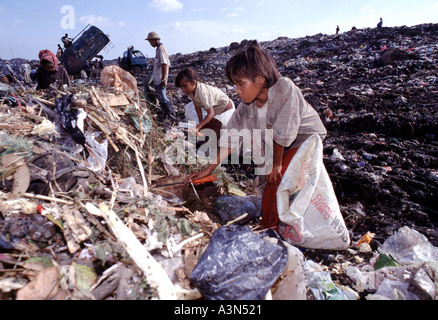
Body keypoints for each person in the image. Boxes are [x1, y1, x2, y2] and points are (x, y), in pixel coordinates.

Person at [186, 45, 327, 231]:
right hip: (276, 145)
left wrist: (276, 165)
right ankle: (270, 226)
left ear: (260, 79)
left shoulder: (285, 88)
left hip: (304, 139)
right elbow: (231, 138)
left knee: (281, 181)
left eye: (240, 84)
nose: (237, 90)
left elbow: (283, 132)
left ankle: (281, 227)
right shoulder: (246, 106)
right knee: (269, 185)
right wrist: (209, 169)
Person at [175, 67, 235, 145]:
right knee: (204, 132)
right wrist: (200, 124)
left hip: (225, 108)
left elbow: (211, 114)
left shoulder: (203, 92)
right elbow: (197, 107)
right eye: (181, 87)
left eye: (185, 86)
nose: (183, 89)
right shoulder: (191, 91)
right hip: (215, 109)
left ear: (193, 83)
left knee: (215, 136)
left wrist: (198, 127)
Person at [145, 31, 176, 122]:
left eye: (150, 42)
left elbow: (164, 64)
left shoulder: (161, 49)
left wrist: (164, 79)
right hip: (158, 78)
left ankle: (171, 116)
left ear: (155, 40)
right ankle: (165, 115)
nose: (150, 44)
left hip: (160, 79)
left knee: (163, 97)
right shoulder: (158, 49)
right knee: (160, 97)